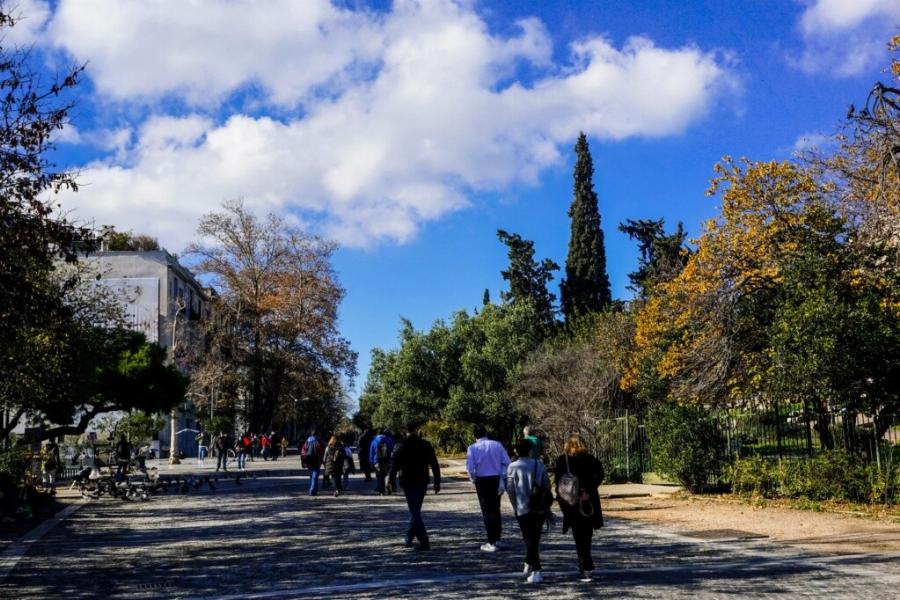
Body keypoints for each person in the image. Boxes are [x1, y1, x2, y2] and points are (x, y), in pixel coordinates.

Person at [554, 433, 604, 582]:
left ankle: (585, 565)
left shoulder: (563, 460)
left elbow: (558, 481)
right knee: (587, 536)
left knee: (578, 536)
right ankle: (586, 564)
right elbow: (600, 475)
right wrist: (589, 490)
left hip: (571, 503)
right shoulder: (591, 459)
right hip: (588, 502)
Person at [388, 422, 441, 551]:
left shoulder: (400, 445)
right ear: (417, 430)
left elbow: (394, 466)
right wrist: (437, 481)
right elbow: (434, 463)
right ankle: (408, 537)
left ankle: (424, 541)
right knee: (415, 509)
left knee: (414, 510)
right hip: (422, 480)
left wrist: (391, 481)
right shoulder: (425, 444)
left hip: (407, 480)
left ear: (405, 431)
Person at [506, 439, 551, 583]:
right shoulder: (539, 465)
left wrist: (515, 506)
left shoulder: (512, 467)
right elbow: (546, 486)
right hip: (539, 507)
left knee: (528, 539)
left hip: (522, 507)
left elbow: (510, 490)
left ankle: (536, 569)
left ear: (516, 451)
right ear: (531, 450)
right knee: (534, 538)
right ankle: (529, 562)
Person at [466, 424, 510, 552]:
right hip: (496, 479)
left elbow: (469, 467)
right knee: (496, 509)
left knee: (486, 511)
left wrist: (474, 479)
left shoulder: (472, 448)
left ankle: (491, 541)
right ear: (486, 434)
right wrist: (502, 475)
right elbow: (507, 462)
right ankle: (497, 539)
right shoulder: (497, 445)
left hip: (482, 480)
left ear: (474, 436)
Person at [369, 429, 395, 495]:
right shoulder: (389, 440)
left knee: (379, 476)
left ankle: (381, 491)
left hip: (377, 461)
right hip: (388, 460)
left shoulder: (374, 441)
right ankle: (387, 484)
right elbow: (392, 450)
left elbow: (371, 453)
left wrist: (371, 461)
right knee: (387, 474)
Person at [301, 432, 325, 496]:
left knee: (312, 475)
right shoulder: (318, 442)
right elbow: (321, 452)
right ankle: (312, 490)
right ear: (316, 435)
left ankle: (314, 489)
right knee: (315, 475)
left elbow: (303, 451)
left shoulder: (307, 441)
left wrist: (304, 460)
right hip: (316, 461)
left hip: (309, 460)